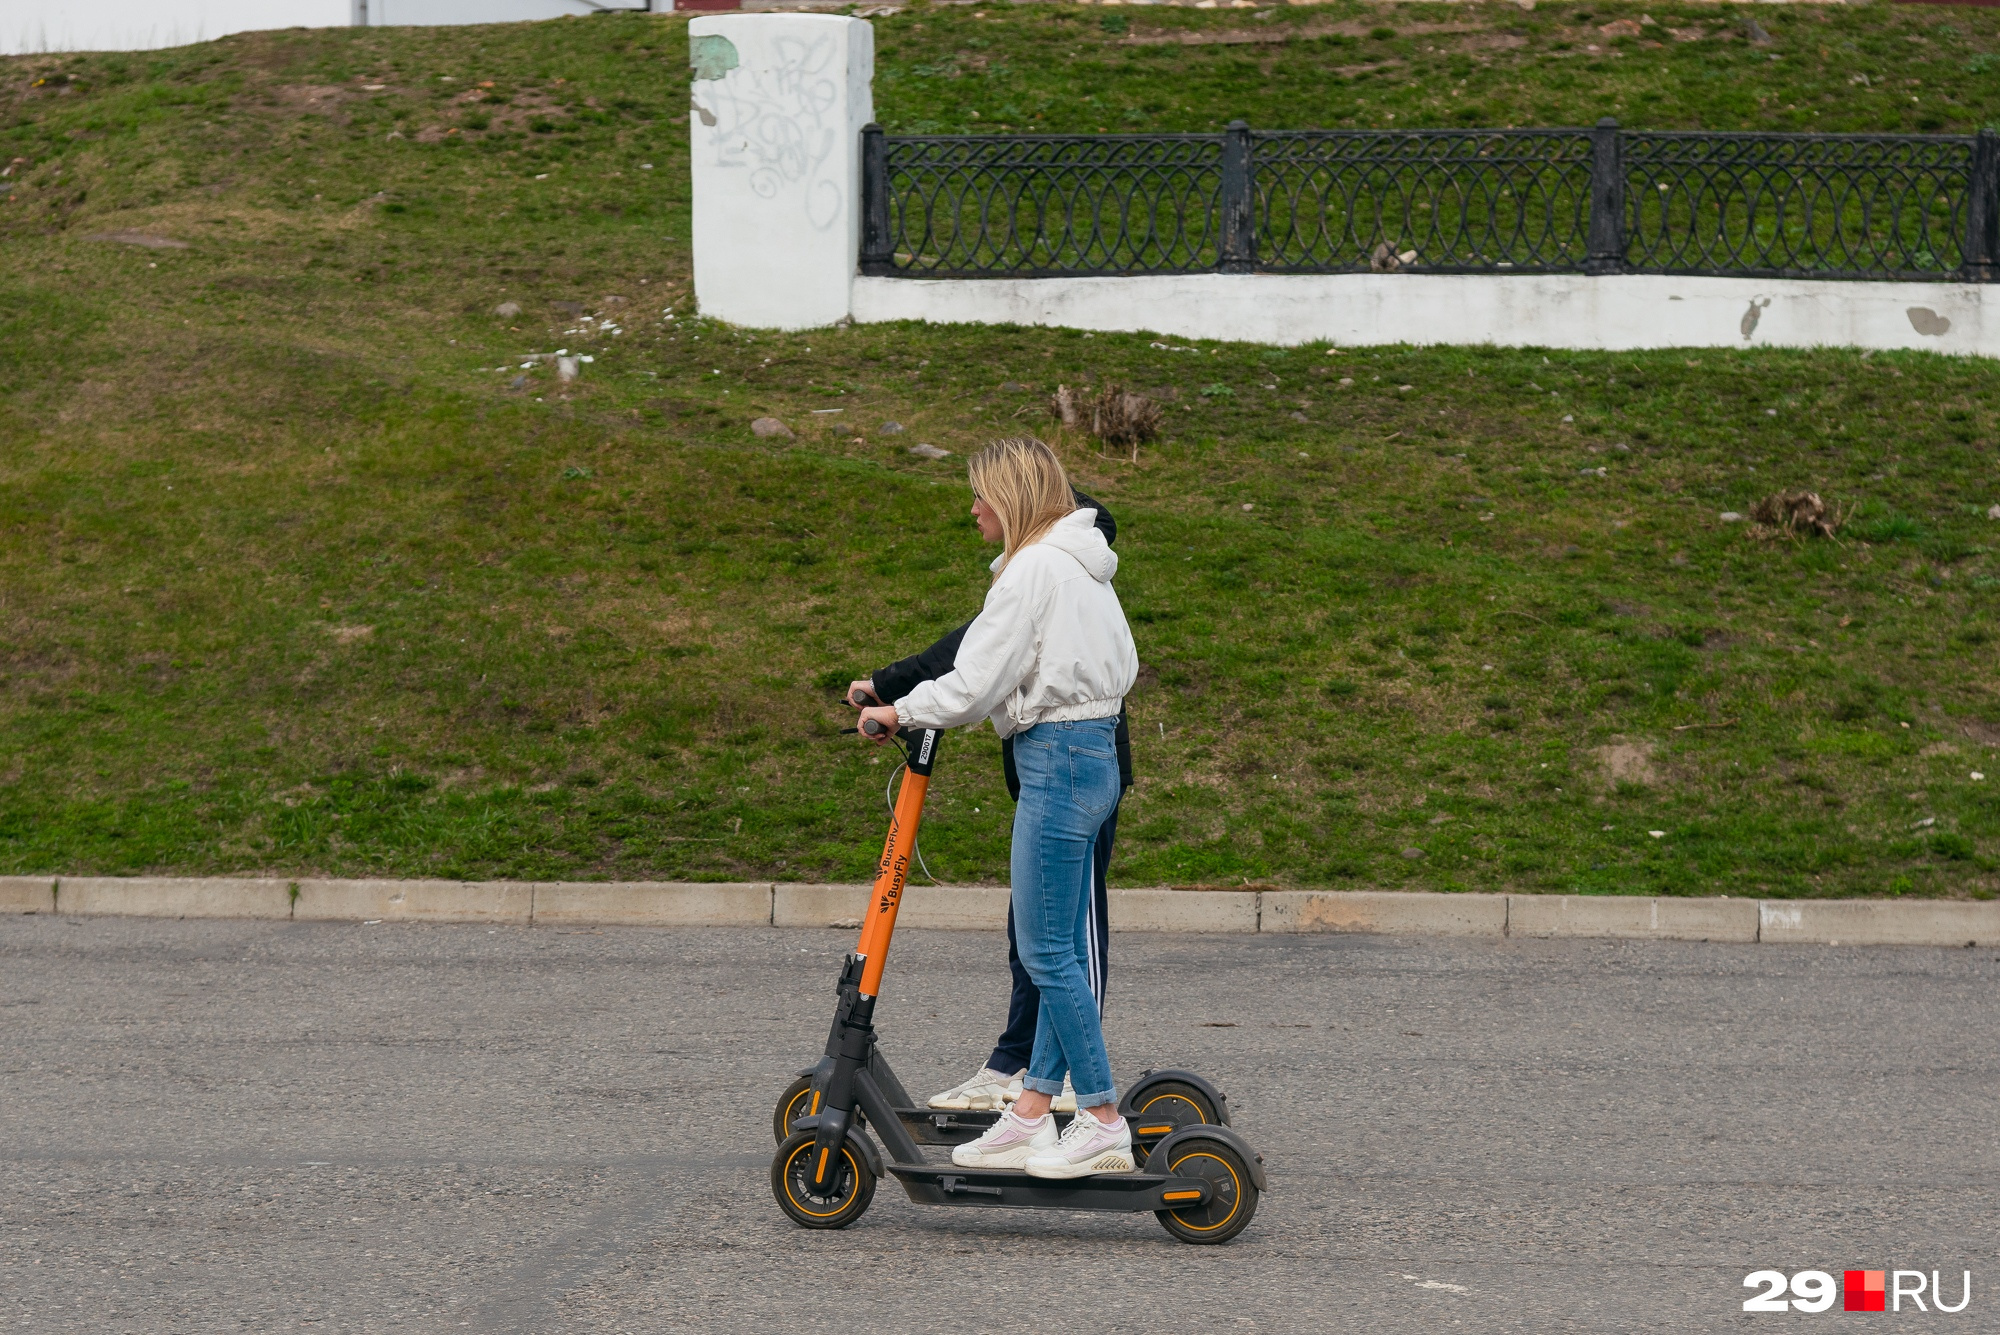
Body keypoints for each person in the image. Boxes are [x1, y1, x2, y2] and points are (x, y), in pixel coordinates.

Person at [854, 438, 1140, 1178]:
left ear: (1010, 496)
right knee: (1059, 950)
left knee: (1047, 950)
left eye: (980, 493)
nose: (972, 507)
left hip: (1057, 756)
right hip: (1096, 748)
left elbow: (977, 679)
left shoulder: (1034, 569)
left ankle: (1104, 1118)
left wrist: (901, 712)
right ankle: (1032, 1111)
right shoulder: (1079, 564)